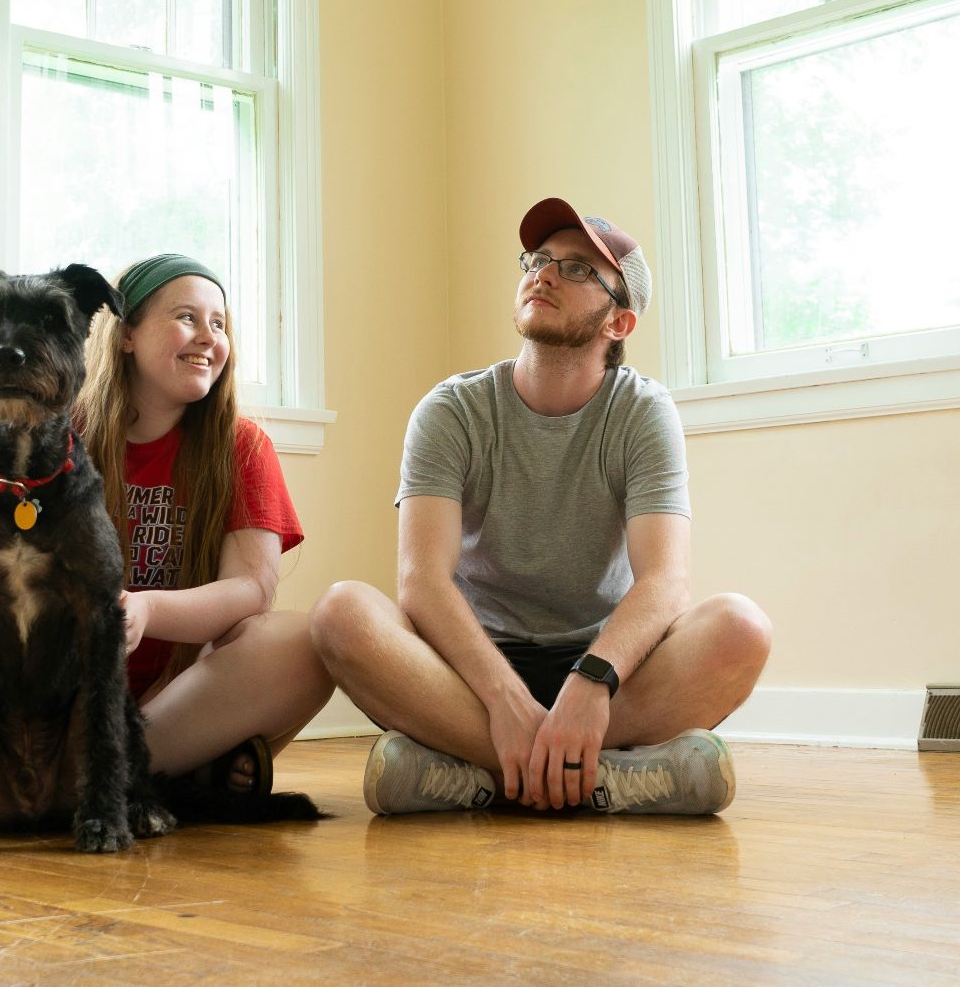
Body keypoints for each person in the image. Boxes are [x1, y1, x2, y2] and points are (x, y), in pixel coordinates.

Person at [309, 198, 772, 816]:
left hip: (607, 666)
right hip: (472, 669)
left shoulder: (642, 411)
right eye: (539, 259)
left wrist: (593, 681)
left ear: (619, 324)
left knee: (741, 628)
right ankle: (609, 778)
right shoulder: (452, 409)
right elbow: (422, 581)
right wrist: (502, 696)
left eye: (579, 269)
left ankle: (473, 775)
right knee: (341, 613)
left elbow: (665, 581)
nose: (545, 273)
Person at [0, 254, 333, 795]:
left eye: (220, 324)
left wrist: (147, 607)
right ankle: (161, 779)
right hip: (49, 693)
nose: (207, 336)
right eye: (186, 317)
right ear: (125, 335)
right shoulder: (54, 429)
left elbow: (253, 589)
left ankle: (106, 774)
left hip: (180, 692)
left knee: (304, 643)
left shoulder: (243, 446)